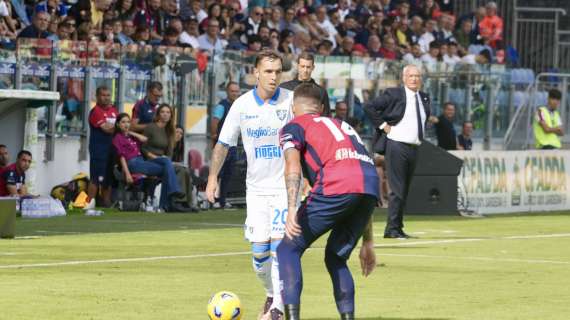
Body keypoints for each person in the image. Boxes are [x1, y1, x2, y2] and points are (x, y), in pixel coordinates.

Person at [277, 83, 378, 320]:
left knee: (287, 249)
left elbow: (292, 165)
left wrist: (291, 209)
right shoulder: (344, 125)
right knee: (335, 256)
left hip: (336, 184)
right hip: (368, 187)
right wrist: (369, 242)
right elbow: (360, 180)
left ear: (293, 108)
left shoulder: (294, 126)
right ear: (321, 108)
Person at [206, 50, 293, 319]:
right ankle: (271, 293)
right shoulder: (242, 105)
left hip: (283, 188)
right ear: (256, 72)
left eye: (278, 71)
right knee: (259, 255)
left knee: (279, 248)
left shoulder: (290, 102)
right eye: (268, 71)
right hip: (255, 190)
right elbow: (223, 144)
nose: (273, 76)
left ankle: (278, 308)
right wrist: (212, 178)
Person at [364, 64, 431, 239]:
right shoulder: (394, 94)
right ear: (404, 78)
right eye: (411, 76)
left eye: (417, 76)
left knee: (405, 189)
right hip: (397, 145)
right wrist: (383, 126)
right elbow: (369, 106)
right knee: (397, 189)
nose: (414, 79)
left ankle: (397, 226)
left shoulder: (423, 97)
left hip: (414, 147)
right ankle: (391, 229)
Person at [113, 113, 183, 212]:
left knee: (166, 164)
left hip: (142, 161)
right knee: (167, 168)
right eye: (123, 122)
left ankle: (166, 201)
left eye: (128, 122)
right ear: (117, 124)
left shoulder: (131, 136)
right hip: (133, 163)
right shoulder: (118, 138)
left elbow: (144, 139)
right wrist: (128, 173)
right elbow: (122, 157)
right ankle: (166, 201)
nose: (126, 124)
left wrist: (130, 132)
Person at [142, 104, 194, 212]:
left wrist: (168, 156)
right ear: (158, 114)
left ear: (171, 115)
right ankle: (174, 196)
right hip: (150, 161)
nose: (165, 114)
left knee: (183, 170)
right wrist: (155, 157)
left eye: (168, 112)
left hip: (164, 162)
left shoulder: (170, 130)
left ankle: (185, 203)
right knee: (168, 165)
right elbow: (143, 148)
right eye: (163, 112)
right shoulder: (151, 127)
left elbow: (169, 153)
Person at [86, 86, 118, 209]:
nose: (106, 98)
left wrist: (118, 127)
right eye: (103, 95)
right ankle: (90, 203)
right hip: (98, 150)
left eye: (108, 95)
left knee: (108, 179)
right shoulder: (96, 112)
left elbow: (117, 126)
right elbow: (107, 129)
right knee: (95, 178)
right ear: (97, 97)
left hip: (112, 150)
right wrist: (119, 127)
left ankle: (106, 204)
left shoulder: (114, 111)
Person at [210, 81, 241, 209]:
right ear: (227, 92)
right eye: (232, 91)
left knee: (228, 173)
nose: (234, 93)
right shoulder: (221, 106)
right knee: (218, 173)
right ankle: (213, 200)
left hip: (233, 145)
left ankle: (222, 200)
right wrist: (214, 138)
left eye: (236, 91)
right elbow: (214, 122)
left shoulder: (239, 105)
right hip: (223, 145)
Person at [280, 52, 331, 116]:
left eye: (308, 67)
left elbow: (326, 115)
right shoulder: (284, 88)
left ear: (313, 67)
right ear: (298, 66)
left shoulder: (321, 91)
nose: (305, 70)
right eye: (302, 66)